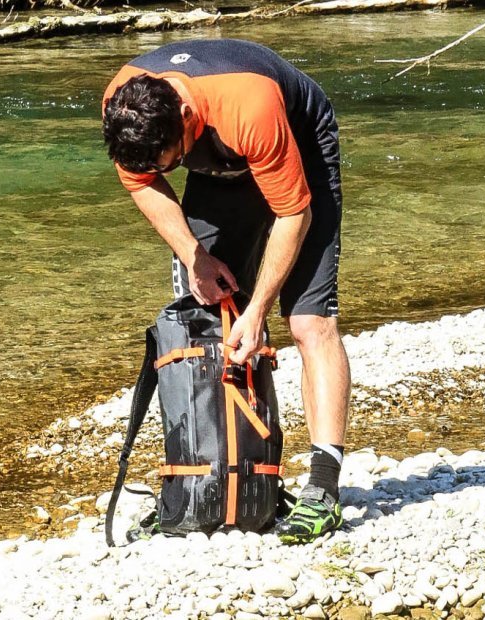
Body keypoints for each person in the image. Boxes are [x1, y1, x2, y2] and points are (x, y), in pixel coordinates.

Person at [102, 38, 350, 544]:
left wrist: (259, 310)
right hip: (219, 158)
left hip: (293, 142)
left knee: (308, 321)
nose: (164, 171)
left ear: (187, 118)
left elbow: (292, 213)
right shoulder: (124, 110)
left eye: (169, 162)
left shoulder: (248, 105)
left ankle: (323, 491)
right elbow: (141, 182)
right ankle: (227, 480)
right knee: (207, 311)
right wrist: (197, 255)